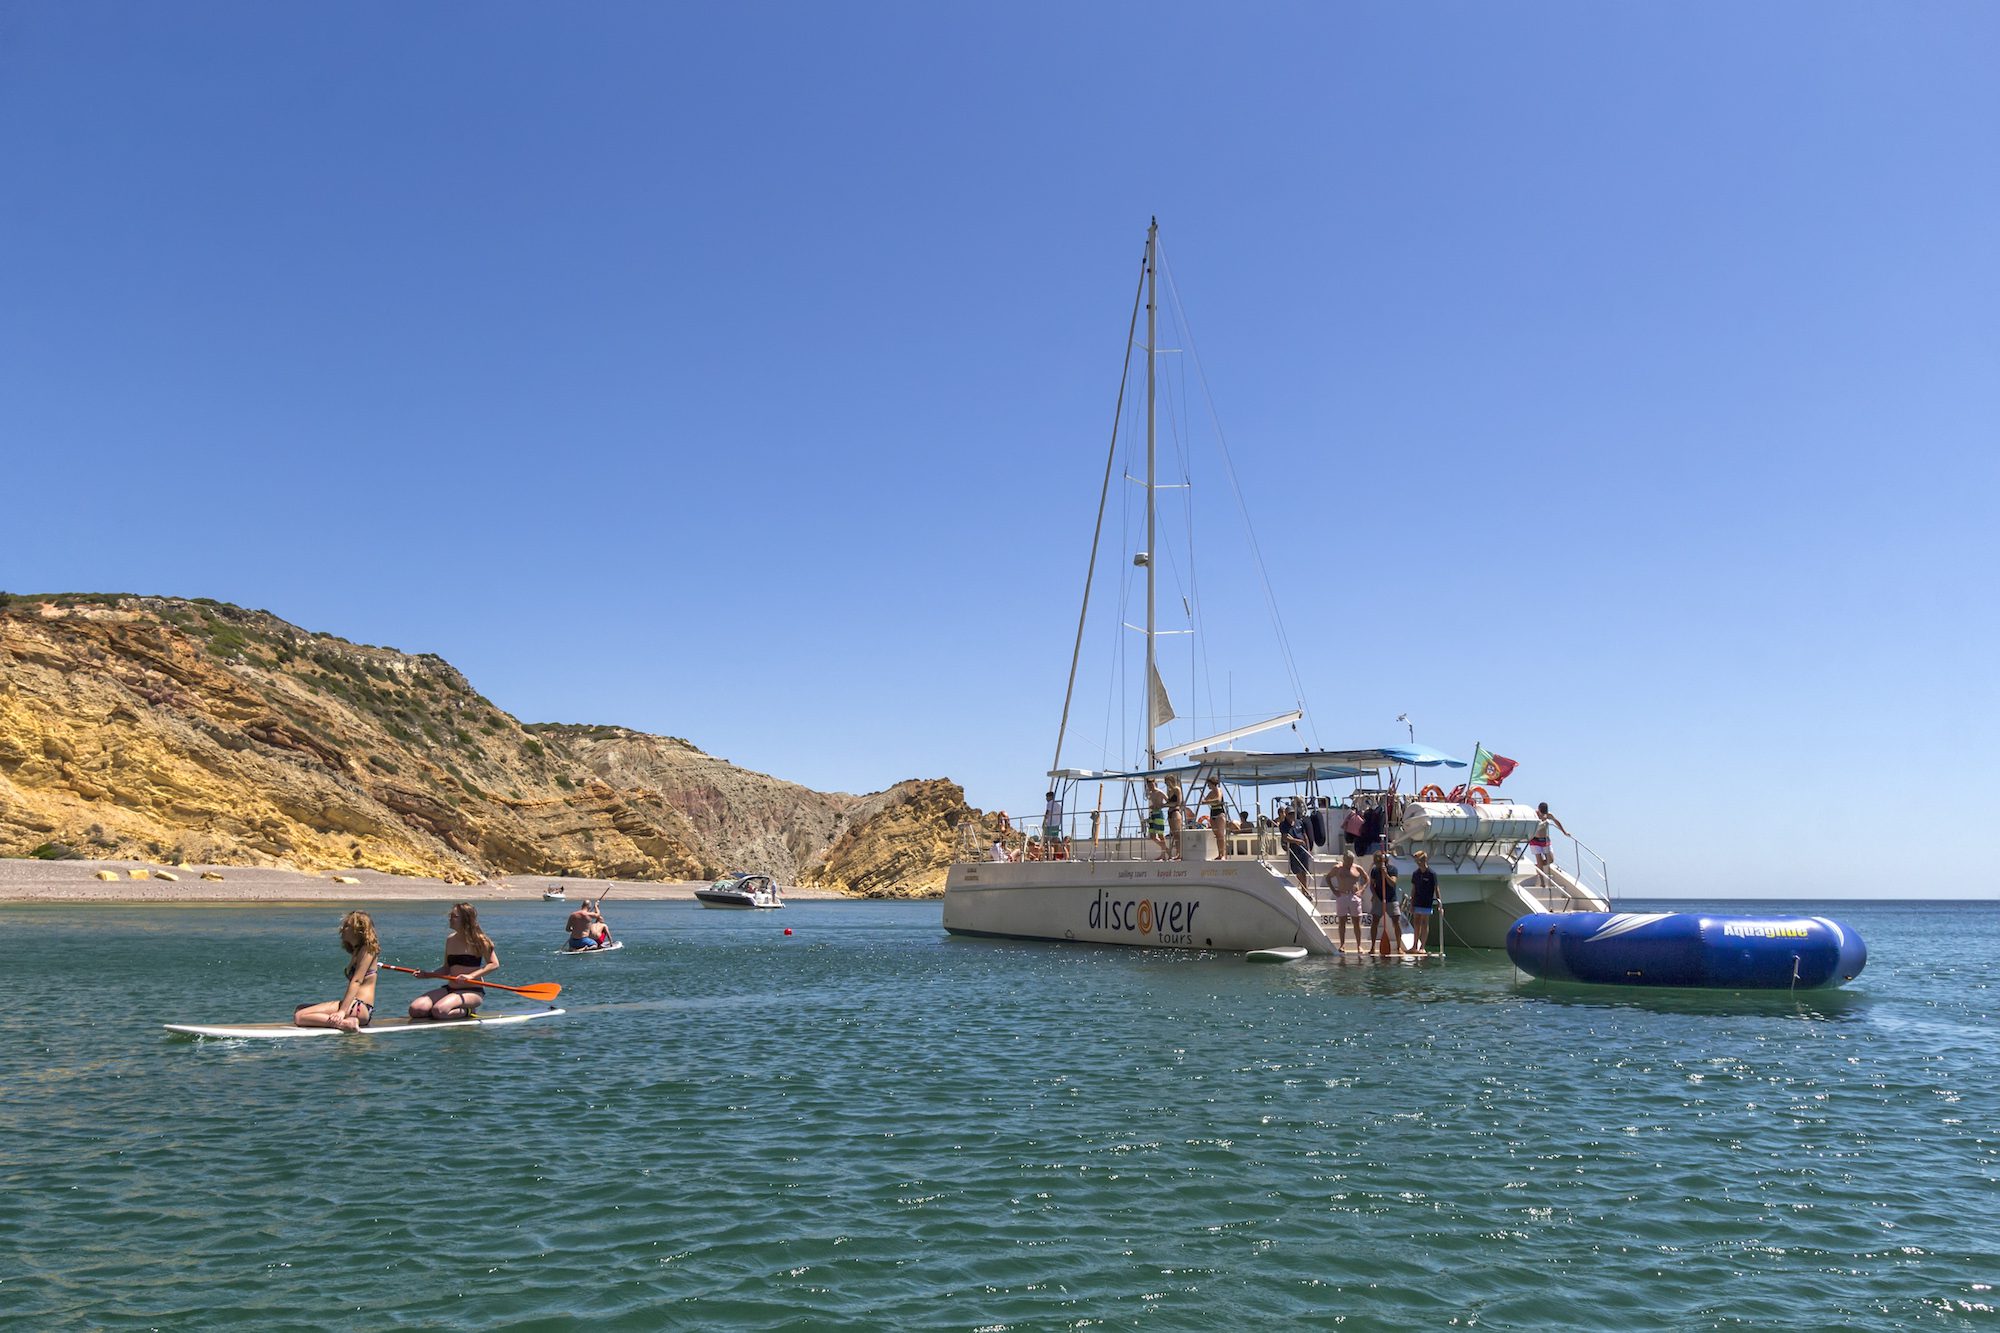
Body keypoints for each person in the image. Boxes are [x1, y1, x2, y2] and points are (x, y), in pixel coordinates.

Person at [408, 902, 499, 1021]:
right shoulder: (450, 940)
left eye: (454, 916)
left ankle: (468, 1010)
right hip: (451, 989)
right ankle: (446, 1009)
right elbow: (446, 968)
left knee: (439, 1011)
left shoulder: (480, 941)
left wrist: (471, 976)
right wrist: (426, 975)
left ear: (466, 920)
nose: (450, 918)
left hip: (473, 991)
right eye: (450, 915)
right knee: (416, 1009)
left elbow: (494, 964)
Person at [293, 911, 380, 1032]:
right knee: (299, 1009)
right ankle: (344, 1020)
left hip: (360, 1006)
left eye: (347, 926)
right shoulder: (357, 951)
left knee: (300, 1017)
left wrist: (341, 1012)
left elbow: (357, 981)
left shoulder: (368, 950)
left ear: (358, 930)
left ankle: (345, 1024)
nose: (342, 929)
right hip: (353, 1006)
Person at [1327, 852, 1366, 953]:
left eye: (1351, 861)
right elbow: (1328, 877)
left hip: (1354, 896)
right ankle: (1342, 944)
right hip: (1342, 895)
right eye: (1348, 861)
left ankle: (1359, 945)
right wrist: (1334, 890)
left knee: (1356, 922)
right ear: (1344, 860)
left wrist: (1362, 890)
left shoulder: (1357, 868)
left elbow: (1366, 878)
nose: (1350, 863)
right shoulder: (1338, 868)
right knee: (1342, 921)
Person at [1369, 854, 1403, 956]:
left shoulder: (1393, 869)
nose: (1376, 864)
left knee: (1396, 921)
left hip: (1391, 899)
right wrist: (1375, 896)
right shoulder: (1374, 871)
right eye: (1375, 861)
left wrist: (1385, 874)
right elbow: (1372, 885)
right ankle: (1372, 947)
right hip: (1379, 899)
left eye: (1378, 862)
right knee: (1375, 920)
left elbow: (1393, 883)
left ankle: (1399, 947)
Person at [1529, 802, 1570, 881]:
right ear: (1539, 809)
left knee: (1550, 860)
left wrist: (1564, 832)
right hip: (1535, 840)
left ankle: (1537, 866)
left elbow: (1556, 822)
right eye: (1541, 812)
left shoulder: (1548, 815)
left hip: (1545, 840)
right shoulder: (1534, 814)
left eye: (1544, 813)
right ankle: (1542, 881)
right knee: (1539, 858)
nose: (1542, 814)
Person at [1408, 850, 1438, 953]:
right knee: (1416, 922)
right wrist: (1411, 903)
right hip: (1417, 900)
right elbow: (1413, 889)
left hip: (1426, 901)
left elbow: (1436, 888)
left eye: (1418, 861)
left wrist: (1439, 903)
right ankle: (1414, 945)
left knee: (1424, 922)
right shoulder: (1415, 874)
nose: (1417, 863)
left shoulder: (1431, 874)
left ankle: (1422, 947)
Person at [1280, 807, 1312, 892]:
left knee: (1304, 870)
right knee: (1298, 870)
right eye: (1290, 814)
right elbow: (1285, 837)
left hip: (1303, 849)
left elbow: (1305, 835)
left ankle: (1305, 889)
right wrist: (1296, 841)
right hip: (1294, 849)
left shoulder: (1299, 822)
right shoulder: (1283, 825)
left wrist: (1308, 849)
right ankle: (1305, 889)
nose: (1292, 815)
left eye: (1293, 813)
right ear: (1286, 815)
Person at [1144, 777, 1170, 860]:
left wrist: (1161, 805)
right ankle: (1165, 848)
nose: (1150, 786)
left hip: (1159, 814)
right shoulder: (1150, 793)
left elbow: (1168, 801)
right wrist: (1152, 806)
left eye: (1151, 784)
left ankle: (1163, 854)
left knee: (1160, 834)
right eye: (1149, 785)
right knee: (1152, 836)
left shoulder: (1160, 792)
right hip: (1152, 814)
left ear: (1154, 783)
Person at [1204, 777, 1228, 860]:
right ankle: (1219, 853)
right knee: (1217, 835)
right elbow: (1203, 801)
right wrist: (1210, 801)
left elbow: (1218, 800)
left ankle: (1223, 854)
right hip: (1212, 813)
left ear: (1212, 783)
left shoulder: (1218, 790)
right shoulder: (1210, 793)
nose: (1208, 786)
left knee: (1221, 835)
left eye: (1208, 784)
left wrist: (1209, 801)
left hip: (1219, 813)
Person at [1164, 774, 1186, 861]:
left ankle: (1180, 853)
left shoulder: (1177, 789)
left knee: (1178, 834)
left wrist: (1167, 804)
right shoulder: (1169, 791)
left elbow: (1178, 803)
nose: (1166, 784)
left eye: (1167, 782)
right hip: (1169, 812)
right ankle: (1177, 853)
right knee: (1174, 835)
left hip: (1175, 812)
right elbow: (1169, 803)